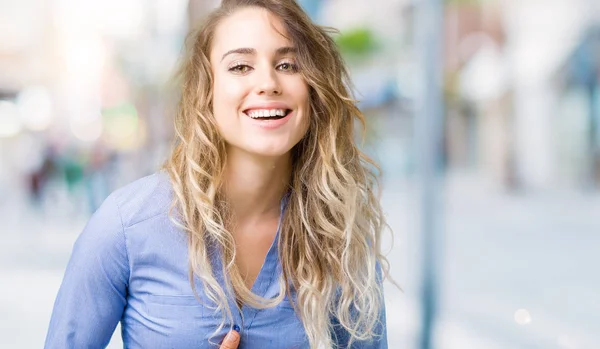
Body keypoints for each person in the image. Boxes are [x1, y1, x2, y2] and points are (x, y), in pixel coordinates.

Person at [44, 0, 391, 348]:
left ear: (313, 90)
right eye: (240, 66)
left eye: (288, 64)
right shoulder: (124, 227)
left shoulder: (341, 236)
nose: (268, 83)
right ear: (206, 92)